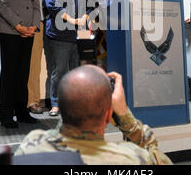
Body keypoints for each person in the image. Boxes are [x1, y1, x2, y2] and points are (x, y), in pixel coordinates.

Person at [15, 65, 172, 165]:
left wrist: (74, 99)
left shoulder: (31, 145)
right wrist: (124, 115)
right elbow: (156, 157)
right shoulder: (130, 158)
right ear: (108, 114)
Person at [0, 0, 41, 128]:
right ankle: (6, 115)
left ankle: (22, 112)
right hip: (10, 30)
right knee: (9, 73)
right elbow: (2, 3)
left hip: (29, 31)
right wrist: (19, 26)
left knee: (23, 73)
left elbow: (36, 5)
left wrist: (34, 26)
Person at [43, 0, 91, 117]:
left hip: (77, 37)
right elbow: (52, 6)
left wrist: (83, 17)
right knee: (59, 70)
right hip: (59, 36)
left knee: (76, 71)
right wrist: (71, 20)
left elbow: (89, 8)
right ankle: (55, 104)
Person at [26, 0, 49, 114]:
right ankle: (17, 102)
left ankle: (33, 101)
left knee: (34, 67)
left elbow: (48, 8)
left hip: (37, 28)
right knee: (17, 67)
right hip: (16, 27)